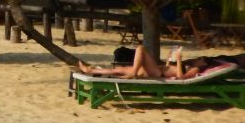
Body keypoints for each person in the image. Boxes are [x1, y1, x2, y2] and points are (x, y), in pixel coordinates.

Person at [77, 45, 208, 80]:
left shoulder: (195, 70)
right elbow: (170, 69)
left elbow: (180, 78)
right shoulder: (190, 65)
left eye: (201, 59)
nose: (198, 59)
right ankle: (91, 70)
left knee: (140, 49)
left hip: (158, 74)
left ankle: (133, 73)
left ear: (203, 64)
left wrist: (179, 60)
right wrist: (170, 59)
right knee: (119, 69)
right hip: (158, 69)